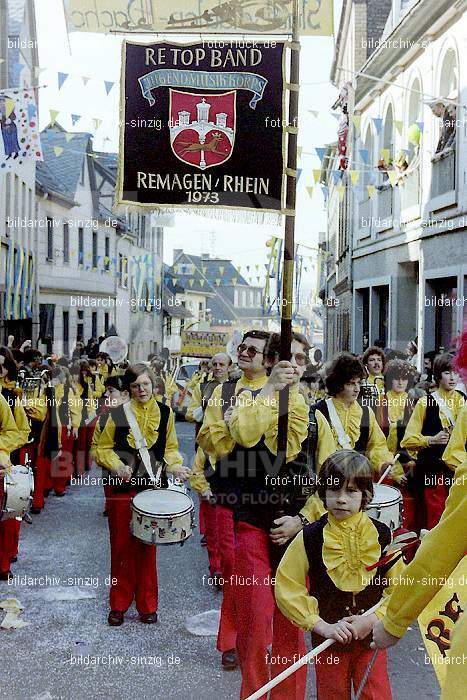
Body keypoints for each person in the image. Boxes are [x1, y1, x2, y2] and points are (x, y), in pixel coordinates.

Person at [225, 332, 336, 699]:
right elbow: (242, 433)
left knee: (292, 627)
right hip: (253, 525)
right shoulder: (242, 400)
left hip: (296, 537)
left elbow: (330, 481)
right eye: (287, 358)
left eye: (301, 360)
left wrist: (303, 520)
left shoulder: (318, 419)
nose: (294, 366)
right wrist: (271, 389)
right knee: (256, 626)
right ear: (271, 361)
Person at [372, 330, 467, 700]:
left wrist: (394, 619)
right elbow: (411, 441)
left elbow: (442, 550)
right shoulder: (424, 403)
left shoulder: (459, 402)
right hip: (430, 474)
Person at [275, 450, 405, 700]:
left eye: (351, 491)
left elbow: (399, 588)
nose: (341, 499)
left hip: (371, 640)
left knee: (376, 694)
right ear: (323, 494)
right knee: (332, 694)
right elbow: (287, 586)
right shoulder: (309, 537)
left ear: (366, 495)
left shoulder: (383, 535)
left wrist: (374, 619)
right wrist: (322, 626)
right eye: (334, 491)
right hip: (329, 643)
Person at [94, 364, 190, 626]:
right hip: (123, 490)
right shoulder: (116, 414)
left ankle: (148, 605)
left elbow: (169, 448)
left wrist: (175, 466)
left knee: (148, 546)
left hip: (152, 488)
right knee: (122, 547)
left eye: (145, 384)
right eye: (135, 386)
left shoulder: (166, 413)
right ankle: (119, 604)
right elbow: (101, 449)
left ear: (154, 385)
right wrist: (115, 465)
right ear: (129, 389)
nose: (141, 390)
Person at [197, 330, 271, 672]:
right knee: (234, 570)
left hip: (270, 496)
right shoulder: (224, 391)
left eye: (252, 350)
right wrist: (234, 441)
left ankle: (259, 642)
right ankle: (230, 640)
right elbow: (207, 436)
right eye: (241, 347)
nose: (244, 353)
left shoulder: (280, 393)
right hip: (230, 491)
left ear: (267, 358)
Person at [400, 352, 465, 529]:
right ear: (437, 375)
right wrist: (430, 440)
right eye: (447, 372)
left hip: (459, 471)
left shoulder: (463, 401)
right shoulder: (425, 403)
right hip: (433, 472)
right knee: (434, 520)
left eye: (455, 372)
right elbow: (408, 440)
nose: (452, 377)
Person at [187, 353, 232, 583]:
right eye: (214, 364)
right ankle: (215, 565)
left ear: (229, 367)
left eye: (221, 364)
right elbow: (189, 411)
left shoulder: (238, 389)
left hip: (232, 446)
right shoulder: (203, 386)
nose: (217, 368)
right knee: (209, 500)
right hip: (207, 439)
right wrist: (204, 412)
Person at [315, 353, 395, 478]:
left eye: (359, 383)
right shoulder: (318, 411)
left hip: (357, 483)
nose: (357, 389)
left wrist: (382, 464)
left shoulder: (366, 412)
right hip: (327, 484)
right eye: (351, 383)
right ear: (337, 383)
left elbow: (377, 445)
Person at [0, 348, 30, 579]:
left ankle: (4, 561)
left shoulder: (12, 396)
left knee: (9, 512)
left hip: (7, 458)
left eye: (2, 365)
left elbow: (21, 431)